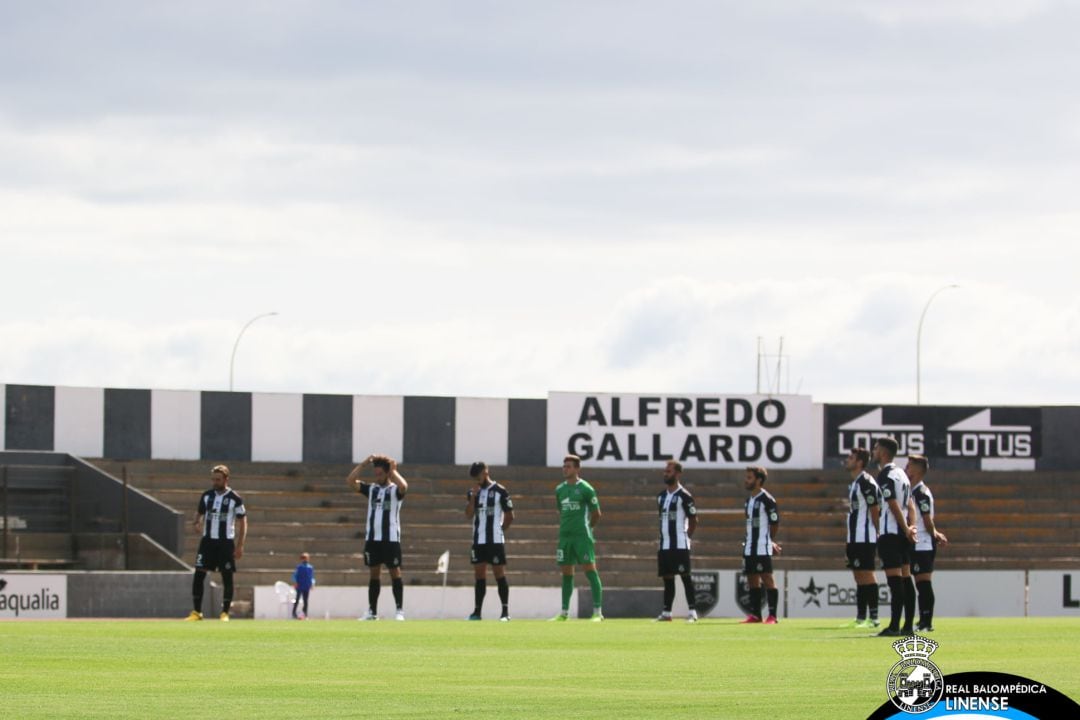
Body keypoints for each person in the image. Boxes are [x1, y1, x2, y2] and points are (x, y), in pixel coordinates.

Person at [347, 454, 409, 621]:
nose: (377, 477)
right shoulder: (372, 489)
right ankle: (372, 612)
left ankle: (399, 611)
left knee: (395, 573)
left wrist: (394, 472)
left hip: (391, 540)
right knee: (374, 574)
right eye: (376, 474)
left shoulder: (394, 490)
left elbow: (404, 486)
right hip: (373, 539)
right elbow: (351, 481)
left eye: (381, 473)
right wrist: (365, 463)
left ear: (387, 473)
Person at [186, 464, 247, 622]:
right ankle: (197, 612)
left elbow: (243, 522)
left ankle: (225, 612)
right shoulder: (207, 496)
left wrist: (240, 545)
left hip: (225, 542)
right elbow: (199, 512)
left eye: (218, 479)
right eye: (213, 479)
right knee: (199, 574)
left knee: (227, 576)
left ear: (226, 479)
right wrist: (195, 522)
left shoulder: (235, 498)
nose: (215, 482)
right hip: (207, 542)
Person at [873, 437, 918, 637]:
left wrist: (905, 528)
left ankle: (894, 626)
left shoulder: (886, 475)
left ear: (882, 452)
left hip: (891, 533)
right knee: (906, 580)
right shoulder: (902, 474)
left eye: (875, 448)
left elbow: (892, 504)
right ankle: (908, 626)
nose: (873, 452)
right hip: (903, 535)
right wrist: (911, 528)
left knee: (895, 582)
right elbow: (910, 505)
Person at [550, 454, 604, 621]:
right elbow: (561, 510)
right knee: (566, 573)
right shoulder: (559, 490)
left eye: (569, 466)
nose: (565, 469)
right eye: (564, 466)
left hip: (582, 537)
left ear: (577, 469)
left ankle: (597, 612)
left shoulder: (586, 489)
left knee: (590, 571)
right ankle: (564, 612)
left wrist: (588, 528)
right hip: (565, 537)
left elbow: (596, 514)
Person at [464, 461, 514, 621]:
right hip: (478, 540)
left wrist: (500, 529)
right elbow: (468, 514)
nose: (476, 480)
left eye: (477, 476)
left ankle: (505, 612)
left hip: (495, 540)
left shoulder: (500, 491)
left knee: (499, 573)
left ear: (485, 472)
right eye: (474, 478)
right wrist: (473, 499)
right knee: (479, 575)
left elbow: (510, 515)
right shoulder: (473, 492)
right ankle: (477, 612)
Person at [907, 454, 948, 632]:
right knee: (920, 584)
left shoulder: (921, 493)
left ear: (917, 470)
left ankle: (926, 622)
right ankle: (923, 620)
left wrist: (934, 534)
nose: (906, 468)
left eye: (909, 466)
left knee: (923, 584)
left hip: (922, 543)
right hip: (918, 542)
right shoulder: (913, 491)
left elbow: (926, 520)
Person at [655, 460, 699, 623]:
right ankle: (667, 613)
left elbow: (694, 519)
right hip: (664, 544)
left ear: (678, 474)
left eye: (669, 471)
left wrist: (687, 536)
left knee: (685, 577)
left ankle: (692, 612)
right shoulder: (661, 497)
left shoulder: (685, 496)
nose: (666, 474)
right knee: (667, 579)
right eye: (665, 471)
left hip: (679, 544)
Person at [843, 446, 882, 628]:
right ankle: (860, 617)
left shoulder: (866, 482)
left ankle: (873, 617)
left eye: (851, 457)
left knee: (867, 574)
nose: (847, 460)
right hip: (854, 537)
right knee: (858, 575)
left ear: (859, 462)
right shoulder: (856, 482)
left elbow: (875, 509)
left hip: (865, 537)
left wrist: (878, 532)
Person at [741, 465, 781, 624]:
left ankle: (772, 616)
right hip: (749, 545)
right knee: (752, 579)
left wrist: (769, 540)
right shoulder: (748, 501)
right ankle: (756, 615)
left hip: (762, 546)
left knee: (767, 578)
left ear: (758, 480)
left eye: (749, 478)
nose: (746, 480)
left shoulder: (767, 500)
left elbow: (775, 523)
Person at [292, 552, 315, 619]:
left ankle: (305, 614)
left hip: (306, 585)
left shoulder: (310, 567)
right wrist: (295, 582)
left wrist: (312, 584)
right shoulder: (299, 567)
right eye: (303, 558)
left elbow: (311, 577)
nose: (305, 560)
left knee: (305, 601)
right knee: (297, 599)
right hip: (300, 585)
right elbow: (295, 576)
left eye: (306, 558)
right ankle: (294, 613)